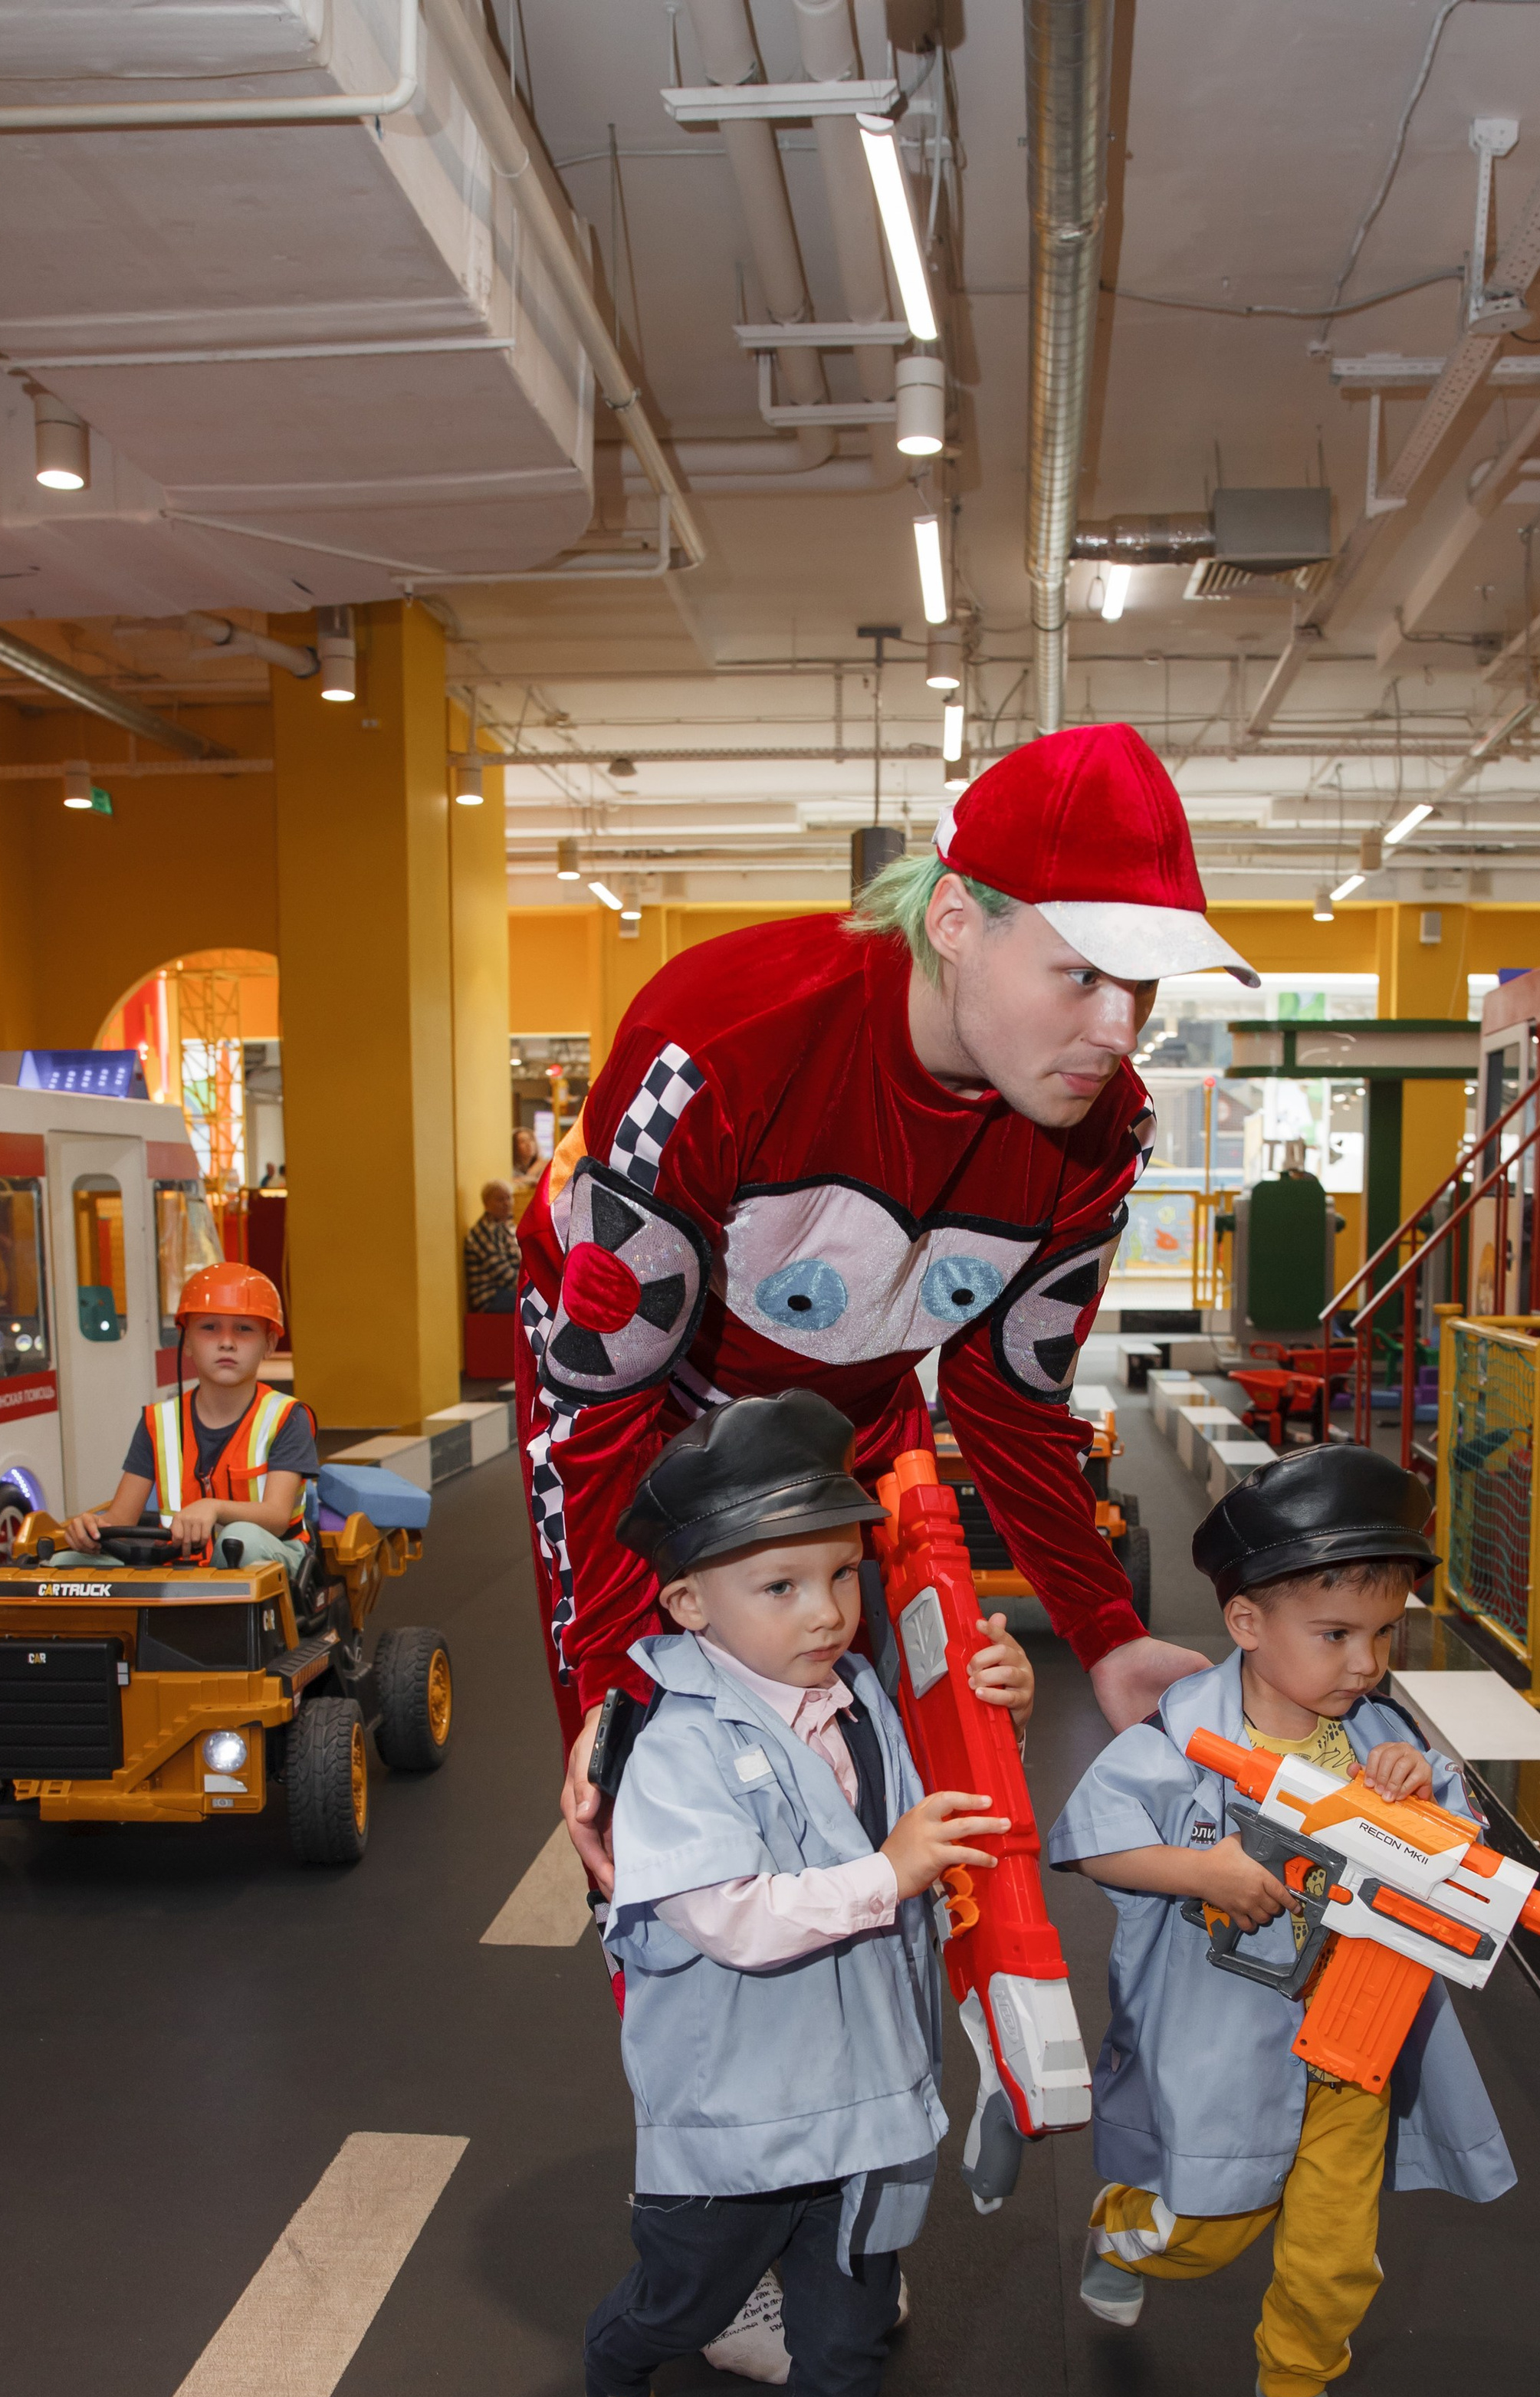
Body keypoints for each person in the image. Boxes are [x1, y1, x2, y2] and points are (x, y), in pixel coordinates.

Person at [514, 722, 1260, 1897]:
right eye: (1082, 974)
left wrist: (1105, 1629)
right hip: (648, 1407)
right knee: (659, 1781)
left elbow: (1011, 1401)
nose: (1122, 1032)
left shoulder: (1104, 1128)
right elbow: (600, 1404)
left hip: (850, 1402)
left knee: (858, 1746)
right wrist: (611, 1680)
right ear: (955, 920)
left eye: (1144, 985)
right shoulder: (714, 1047)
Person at [587, 1391, 1033, 2397]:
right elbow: (732, 1917)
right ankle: (616, 2365)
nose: (828, 1612)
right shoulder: (676, 1748)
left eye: (841, 1574)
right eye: (780, 1586)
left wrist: (996, 1706)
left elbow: (945, 1803)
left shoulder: (859, 1694)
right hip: (735, 2120)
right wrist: (887, 1874)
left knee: (847, 2338)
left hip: (866, 2101)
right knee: (681, 2303)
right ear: (690, 1605)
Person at [1048, 1446, 1515, 2397]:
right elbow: (1088, 1840)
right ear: (1247, 1624)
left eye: (1384, 1633)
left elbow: (1461, 1853)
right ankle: (1122, 2231)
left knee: (1338, 2246)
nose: (1366, 1663)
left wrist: (1421, 1795)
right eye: (1336, 1634)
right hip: (1226, 2039)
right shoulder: (1180, 1738)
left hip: (1355, 2038)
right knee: (1205, 2227)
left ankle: (1296, 2380)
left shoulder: (1384, 1738)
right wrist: (1201, 1871)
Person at [61, 1263, 316, 1573]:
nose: (226, 1342)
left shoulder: (287, 1417)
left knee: (240, 1539)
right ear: (187, 1343)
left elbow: (277, 1518)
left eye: (244, 1329)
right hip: (180, 1567)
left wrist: (214, 1507)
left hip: (272, 1562)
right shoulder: (159, 1421)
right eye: (209, 1327)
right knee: (65, 1564)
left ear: (270, 1344)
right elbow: (120, 1523)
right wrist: (89, 1530)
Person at [465, 1179, 522, 1318]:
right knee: (541, 1301)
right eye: (500, 1200)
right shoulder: (484, 1231)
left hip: (506, 1291)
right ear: (486, 1204)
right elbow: (503, 1275)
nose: (506, 1203)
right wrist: (533, 1287)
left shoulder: (506, 1226)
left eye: (509, 1198)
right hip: (490, 1297)